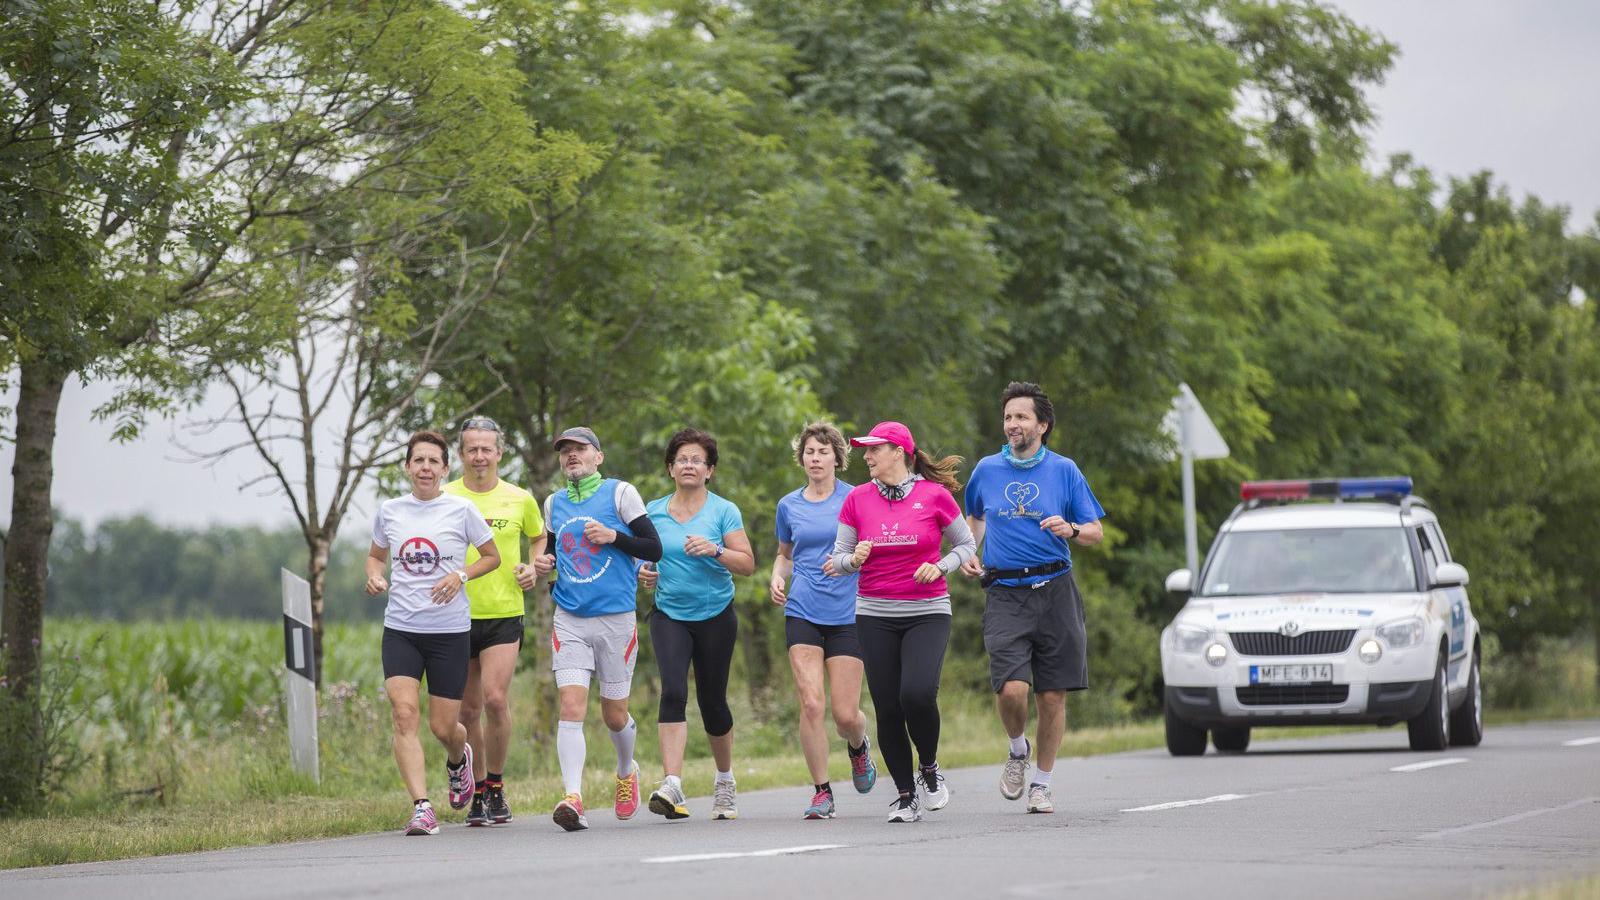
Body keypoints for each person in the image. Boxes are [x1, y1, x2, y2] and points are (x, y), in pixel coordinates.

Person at [961, 382, 1104, 815]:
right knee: (1011, 690)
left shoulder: (1064, 471)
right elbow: (975, 517)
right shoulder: (986, 469)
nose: (1012, 424)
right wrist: (969, 550)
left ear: (1042, 425)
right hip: (1005, 592)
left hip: (1056, 590)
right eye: (1008, 417)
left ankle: (1041, 784)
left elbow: (1096, 531)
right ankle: (1016, 750)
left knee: (1052, 696)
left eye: (1021, 417)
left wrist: (1072, 530)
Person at [828, 422, 976, 823]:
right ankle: (905, 795)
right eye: (866, 450)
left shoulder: (935, 496)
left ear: (898, 451)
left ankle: (928, 766)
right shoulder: (857, 500)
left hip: (927, 611)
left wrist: (941, 566)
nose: (867, 457)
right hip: (874, 614)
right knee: (888, 706)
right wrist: (852, 560)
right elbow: (836, 560)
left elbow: (966, 544)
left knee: (917, 693)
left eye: (874, 449)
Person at [366, 430, 501, 836]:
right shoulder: (390, 511)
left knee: (445, 728)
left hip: (449, 633)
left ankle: (458, 760)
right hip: (402, 631)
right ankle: (422, 807)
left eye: (433, 461)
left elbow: (492, 557)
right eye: (418, 460)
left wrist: (460, 575)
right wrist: (374, 576)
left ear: (445, 469)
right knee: (404, 714)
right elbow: (375, 557)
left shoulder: (460, 510)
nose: (425, 467)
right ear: (407, 467)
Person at [530, 426, 663, 831]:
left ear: (598, 457)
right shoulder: (553, 503)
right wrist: (544, 564)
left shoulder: (620, 493)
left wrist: (613, 537)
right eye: (565, 451)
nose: (572, 455)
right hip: (569, 617)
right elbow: (554, 549)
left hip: (615, 618)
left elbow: (653, 548)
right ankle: (573, 796)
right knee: (571, 706)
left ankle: (626, 771)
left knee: (613, 714)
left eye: (580, 449)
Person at [638, 428, 756, 821]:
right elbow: (644, 558)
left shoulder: (724, 511)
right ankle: (672, 783)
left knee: (713, 702)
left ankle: (724, 780)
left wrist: (716, 549)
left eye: (697, 460)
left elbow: (748, 564)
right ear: (671, 468)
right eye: (682, 459)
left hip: (715, 616)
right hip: (669, 614)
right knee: (672, 690)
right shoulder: (652, 511)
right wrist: (646, 572)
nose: (689, 465)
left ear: (710, 471)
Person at [771, 422, 877, 819]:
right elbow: (785, 553)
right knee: (812, 703)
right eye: (809, 453)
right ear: (802, 459)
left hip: (849, 612)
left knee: (845, 715)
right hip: (803, 609)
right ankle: (821, 791)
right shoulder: (788, 505)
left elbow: (872, 548)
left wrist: (854, 563)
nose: (815, 459)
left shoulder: (859, 499)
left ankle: (859, 746)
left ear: (837, 457)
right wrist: (777, 576)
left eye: (822, 451)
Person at [443, 416, 546, 826]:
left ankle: (498, 786)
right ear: (461, 454)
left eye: (488, 448)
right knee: (467, 712)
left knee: (496, 699)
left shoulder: (519, 497)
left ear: (500, 453)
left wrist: (534, 566)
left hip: (504, 611)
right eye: (472, 449)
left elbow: (539, 537)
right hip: (455, 615)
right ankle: (479, 790)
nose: (480, 456)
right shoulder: (446, 496)